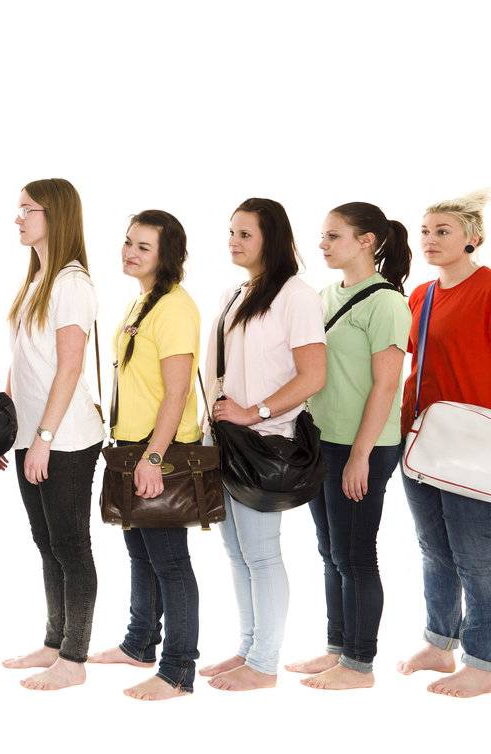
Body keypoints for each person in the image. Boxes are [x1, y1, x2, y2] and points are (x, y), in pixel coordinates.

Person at [200, 197, 327, 692]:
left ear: (271, 239)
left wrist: (257, 413)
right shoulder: (236, 293)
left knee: (262, 553)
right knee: (235, 551)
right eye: (231, 232)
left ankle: (266, 662)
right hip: (226, 440)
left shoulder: (295, 294)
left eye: (245, 233)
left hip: (264, 442)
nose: (233, 241)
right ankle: (248, 648)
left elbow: (312, 375)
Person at [285, 202, 410, 690]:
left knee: (356, 555)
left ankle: (359, 665)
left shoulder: (387, 304)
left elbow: (386, 387)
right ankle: (338, 648)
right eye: (322, 236)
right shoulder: (323, 295)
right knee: (329, 550)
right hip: (322, 441)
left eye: (333, 236)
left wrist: (360, 455)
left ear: (367, 241)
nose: (323, 244)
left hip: (364, 447)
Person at [83, 210, 202, 700]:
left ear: (166, 255)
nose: (129, 252)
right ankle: (139, 644)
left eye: (143, 247)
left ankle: (177, 672)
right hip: (132, 445)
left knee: (170, 561)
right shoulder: (143, 303)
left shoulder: (174, 307)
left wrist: (154, 457)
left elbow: (176, 393)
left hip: (162, 450)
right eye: (129, 242)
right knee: (141, 554)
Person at [0, 178, 104, 691]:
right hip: (31, 435)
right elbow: (23, 365)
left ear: (55, 216)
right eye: (19, 209)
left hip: (65, 438)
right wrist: (10, 431)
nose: (18, 218)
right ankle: (54, 641)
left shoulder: (72, 283)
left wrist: (42, 437)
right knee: (45, 542)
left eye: (28, 210)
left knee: (70, 544)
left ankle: (74, 659)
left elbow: (69, 368)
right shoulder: (38, 278)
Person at [395, 190, 491, 698]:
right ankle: (439, 641)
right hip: (421, 437)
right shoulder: (422, 295)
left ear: (473, 238)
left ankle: (484, 660)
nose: (430, 240)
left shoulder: (489, 289)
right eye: (426, 231)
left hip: (475, 441)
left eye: (443, 231)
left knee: (476, 555)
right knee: (433, 547)